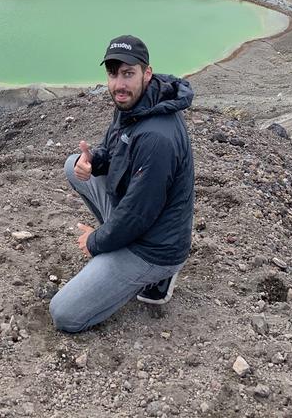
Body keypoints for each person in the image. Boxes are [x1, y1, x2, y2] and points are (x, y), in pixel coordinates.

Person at [50, 35, 194, 333]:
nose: (119, 84)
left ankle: (156, 278)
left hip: (154, 248)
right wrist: (94, 161)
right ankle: (118, 259)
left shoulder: (157, 137)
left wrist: (97, 241)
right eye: (113, 74)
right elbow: (115, 150)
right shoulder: (137, 104)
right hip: (142, 221)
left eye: (128, 73)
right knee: (72, 163)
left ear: (147, 73)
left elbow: (137, 215)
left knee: (64, 314)